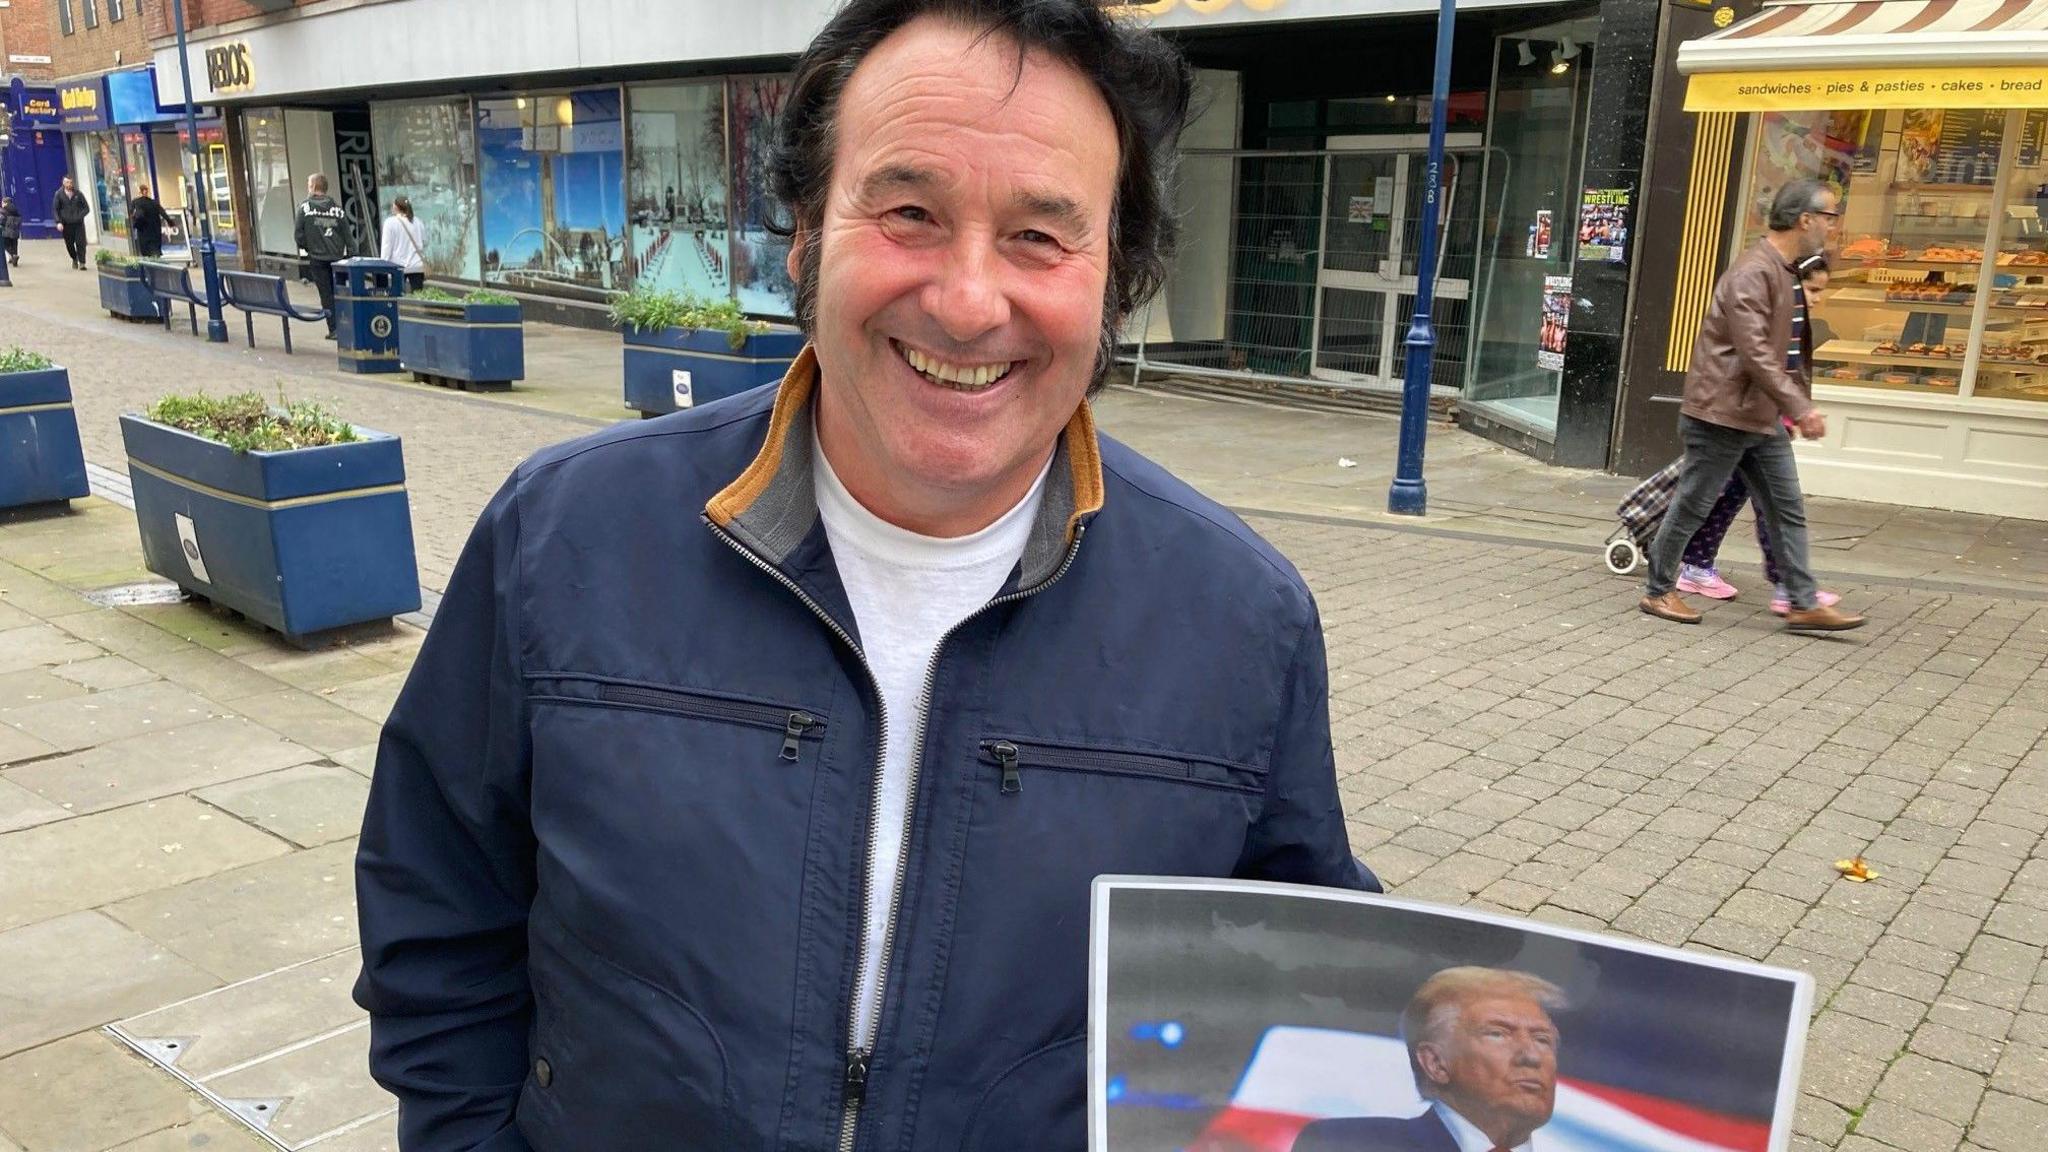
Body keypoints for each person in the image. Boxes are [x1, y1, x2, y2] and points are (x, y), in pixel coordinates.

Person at [352, 1, 1375, 1147]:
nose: (967, 300)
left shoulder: (1242, 620)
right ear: (803, 234)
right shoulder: (563, 535)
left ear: (1115, 282)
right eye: (908, 214)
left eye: (1041, 236)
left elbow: (1297, 1003)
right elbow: (437, 908)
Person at [1639, 178, 1865, 632]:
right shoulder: (1753, 272)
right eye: (1830, 217)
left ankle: (1802, 602)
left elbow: (1791, 351)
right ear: (1806, 220)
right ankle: (1659, 590)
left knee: (1786, 508)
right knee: (1693, 505)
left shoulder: (1786, 271)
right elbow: (1756, 351)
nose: (1834, 227)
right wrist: (1799, 408)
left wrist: (1795, 404)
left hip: (1760, 415)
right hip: (1722, 414)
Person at [1677, 253, 1842, 616]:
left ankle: (1695, 565)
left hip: (1762, 422)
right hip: (1742, 420)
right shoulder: (1765, 305)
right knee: (1766, 506)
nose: (1815, 298)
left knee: (1737, 500)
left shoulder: (1795, 319)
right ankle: (1784, 584)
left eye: (1820, 292)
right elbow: (1758, 364)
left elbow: (1789, 370)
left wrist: (1791, 413)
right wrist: (1795, 412)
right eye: (1811, 289)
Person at [1293, 968, 1564, 1152]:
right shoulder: (1348, 1144)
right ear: (1435, 1063)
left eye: (1542, 1039)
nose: (1530, 1056)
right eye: (1498, 1034)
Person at [294, 174, 353, 339]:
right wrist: (351, 254)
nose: (308, 188)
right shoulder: (337, 209)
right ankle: (346, 325)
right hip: (337, 258)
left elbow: (298, 234)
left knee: (326, 294)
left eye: (308, 185)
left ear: (313, 187)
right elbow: (348, 235)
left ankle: (333, 328)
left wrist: (309, 247)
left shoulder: (305, 208)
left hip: (318, 259)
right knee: (340, 292)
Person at [380, 196, 427, 292]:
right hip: (417, 266)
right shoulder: (418, 222)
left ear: (396, 207)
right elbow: (425, 242)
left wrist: (383, 266)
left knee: (398, 297)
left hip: (398, 266)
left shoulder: (390, 223)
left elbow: (386, 247)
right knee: (418, 296)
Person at [53, 175, 90, 270]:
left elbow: (86, 208)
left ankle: (82, 262)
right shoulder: (59, 194)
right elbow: (55, 209)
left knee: (80, 243)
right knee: (69, 244)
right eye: (67, 182)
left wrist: (79, 216)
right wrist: (58, 222)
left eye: (70, 182)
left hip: (78, 224)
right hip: (66, 224)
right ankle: (74, 258)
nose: (69, 184)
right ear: (63, 183)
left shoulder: (78, 194)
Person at [129, 183, 167, 259]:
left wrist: (134, 222)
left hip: (143, 230)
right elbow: (162, 212)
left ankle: (150, 264)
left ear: (140, 192)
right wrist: (170, 222)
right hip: (154, 229)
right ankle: (156, 261)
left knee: (145, 251)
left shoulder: (136, 202)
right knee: (154, 249)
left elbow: (132, 213)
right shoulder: (153, 202)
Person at [1, 197, 21, 267]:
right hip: (15, 231)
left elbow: (2, 221)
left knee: (6, 245)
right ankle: (14, 257)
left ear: (6, 203)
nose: (2, 204)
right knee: (14, 245)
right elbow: (19, 221)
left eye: (2, 203)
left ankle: (13, 256)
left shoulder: (3, 211)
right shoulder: (16, 211)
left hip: (6, 232)